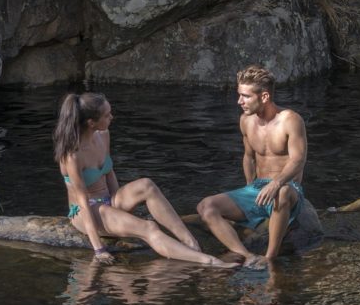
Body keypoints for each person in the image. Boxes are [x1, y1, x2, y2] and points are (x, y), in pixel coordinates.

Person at [54, 92, 235, 268]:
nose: (112, 117)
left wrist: (118, 204)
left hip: (109, 200)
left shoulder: (103, 135)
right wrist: (99, 248)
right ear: (91, 122)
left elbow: (108, 172)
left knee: (147, 185)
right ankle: (209, 261)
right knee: (148, 227)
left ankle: (190, 242)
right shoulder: (73, 155)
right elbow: (83, 201)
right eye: (107, 115)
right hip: (87, 210)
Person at [196, 66, 307, 268]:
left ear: (264, 96)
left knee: (281, 193)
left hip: (288, 188)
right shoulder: (245, 121)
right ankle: (246, 255)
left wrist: (276, 183)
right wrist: (249, 187)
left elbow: (298, 160)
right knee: (206, 206)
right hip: (257, 189)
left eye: (245, 96)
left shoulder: (290, 120)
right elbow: (248, 157)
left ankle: (269, 257)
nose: (239, 102)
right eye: (239, 95)